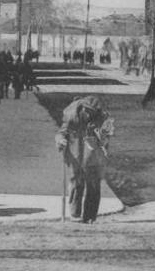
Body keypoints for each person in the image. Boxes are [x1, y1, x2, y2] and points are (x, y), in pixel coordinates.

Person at [56, 95, 114, 223]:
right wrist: (60, 140)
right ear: (82, 108)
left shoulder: (103, 118)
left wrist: (102, 140)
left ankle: (90, 216)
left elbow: (107, 136)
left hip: (93, 154)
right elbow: (62, 132)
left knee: (93, 184)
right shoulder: (71, 115)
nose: (87, 114)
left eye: (91, 112)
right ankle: (75, 214)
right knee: (76, 182)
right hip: (75, 150)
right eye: (86, 111)